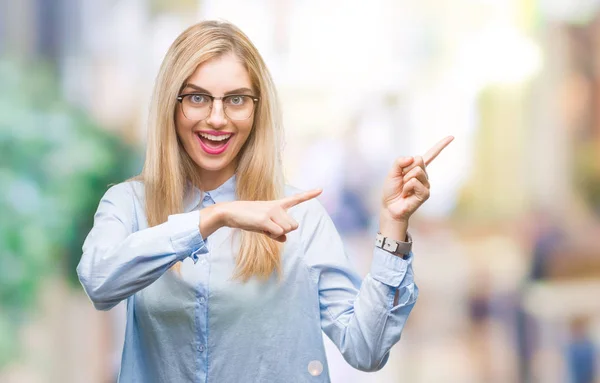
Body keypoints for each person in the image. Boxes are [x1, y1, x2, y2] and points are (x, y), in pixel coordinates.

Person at [76, 20, 453, 382]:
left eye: (236, 99)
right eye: (197, 97)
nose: (217, 118)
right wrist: (213, 217)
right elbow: (99, 281)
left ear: (257, 109)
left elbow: (366, 350)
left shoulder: (298, 216)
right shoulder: (127, 204)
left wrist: (393, 224)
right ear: (171, 105)